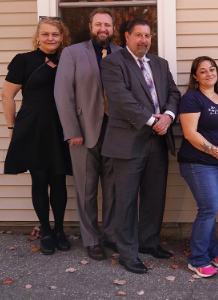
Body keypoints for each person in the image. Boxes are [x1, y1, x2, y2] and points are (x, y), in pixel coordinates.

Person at [100, 19, 181, 274]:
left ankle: (148, 242)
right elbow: (120, 98)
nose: (144, 40)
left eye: (147, 36)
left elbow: (174, 94)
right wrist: (151, 121)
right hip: (128, 141)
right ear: (127, 36)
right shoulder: (113, 62)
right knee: (125, 200)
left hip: (158, 140)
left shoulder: (160, 63)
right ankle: (127, 252)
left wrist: (168, 116)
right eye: (139, 35)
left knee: (154, 196)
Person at [54, 8, 120, 261]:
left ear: (113, 29)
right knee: (86, 188)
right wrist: (72, 131)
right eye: (98, 24)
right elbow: (63, 94)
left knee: (113, 188)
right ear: (91, 26)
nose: (103, 29)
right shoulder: (72, 53)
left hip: (115, 132)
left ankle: (111, 235)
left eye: (107, 25)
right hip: (83, 131)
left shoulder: (122, 54)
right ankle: (91, 239)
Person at [1, 17, 72, 255]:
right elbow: (7, 96)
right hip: (32, 126)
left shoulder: (68, 60)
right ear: (37, 36)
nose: (50, 38)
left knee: (59, 180)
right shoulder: (23, 60)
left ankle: (60, 230)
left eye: (55, 34)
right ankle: (46, 231)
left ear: (62, 37)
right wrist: (11, 127)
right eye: (45, 34)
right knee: (40, 179)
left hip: (61, 126)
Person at [178, 56, 218, 278]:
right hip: (197, 162)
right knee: (208, 208)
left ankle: (212, 250)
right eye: (202, 71)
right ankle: (198, 258)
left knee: (212, 209)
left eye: (212, 69)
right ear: (195, 76)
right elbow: (190, 133)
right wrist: (216, 151)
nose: (209, 73)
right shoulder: (192, 98)